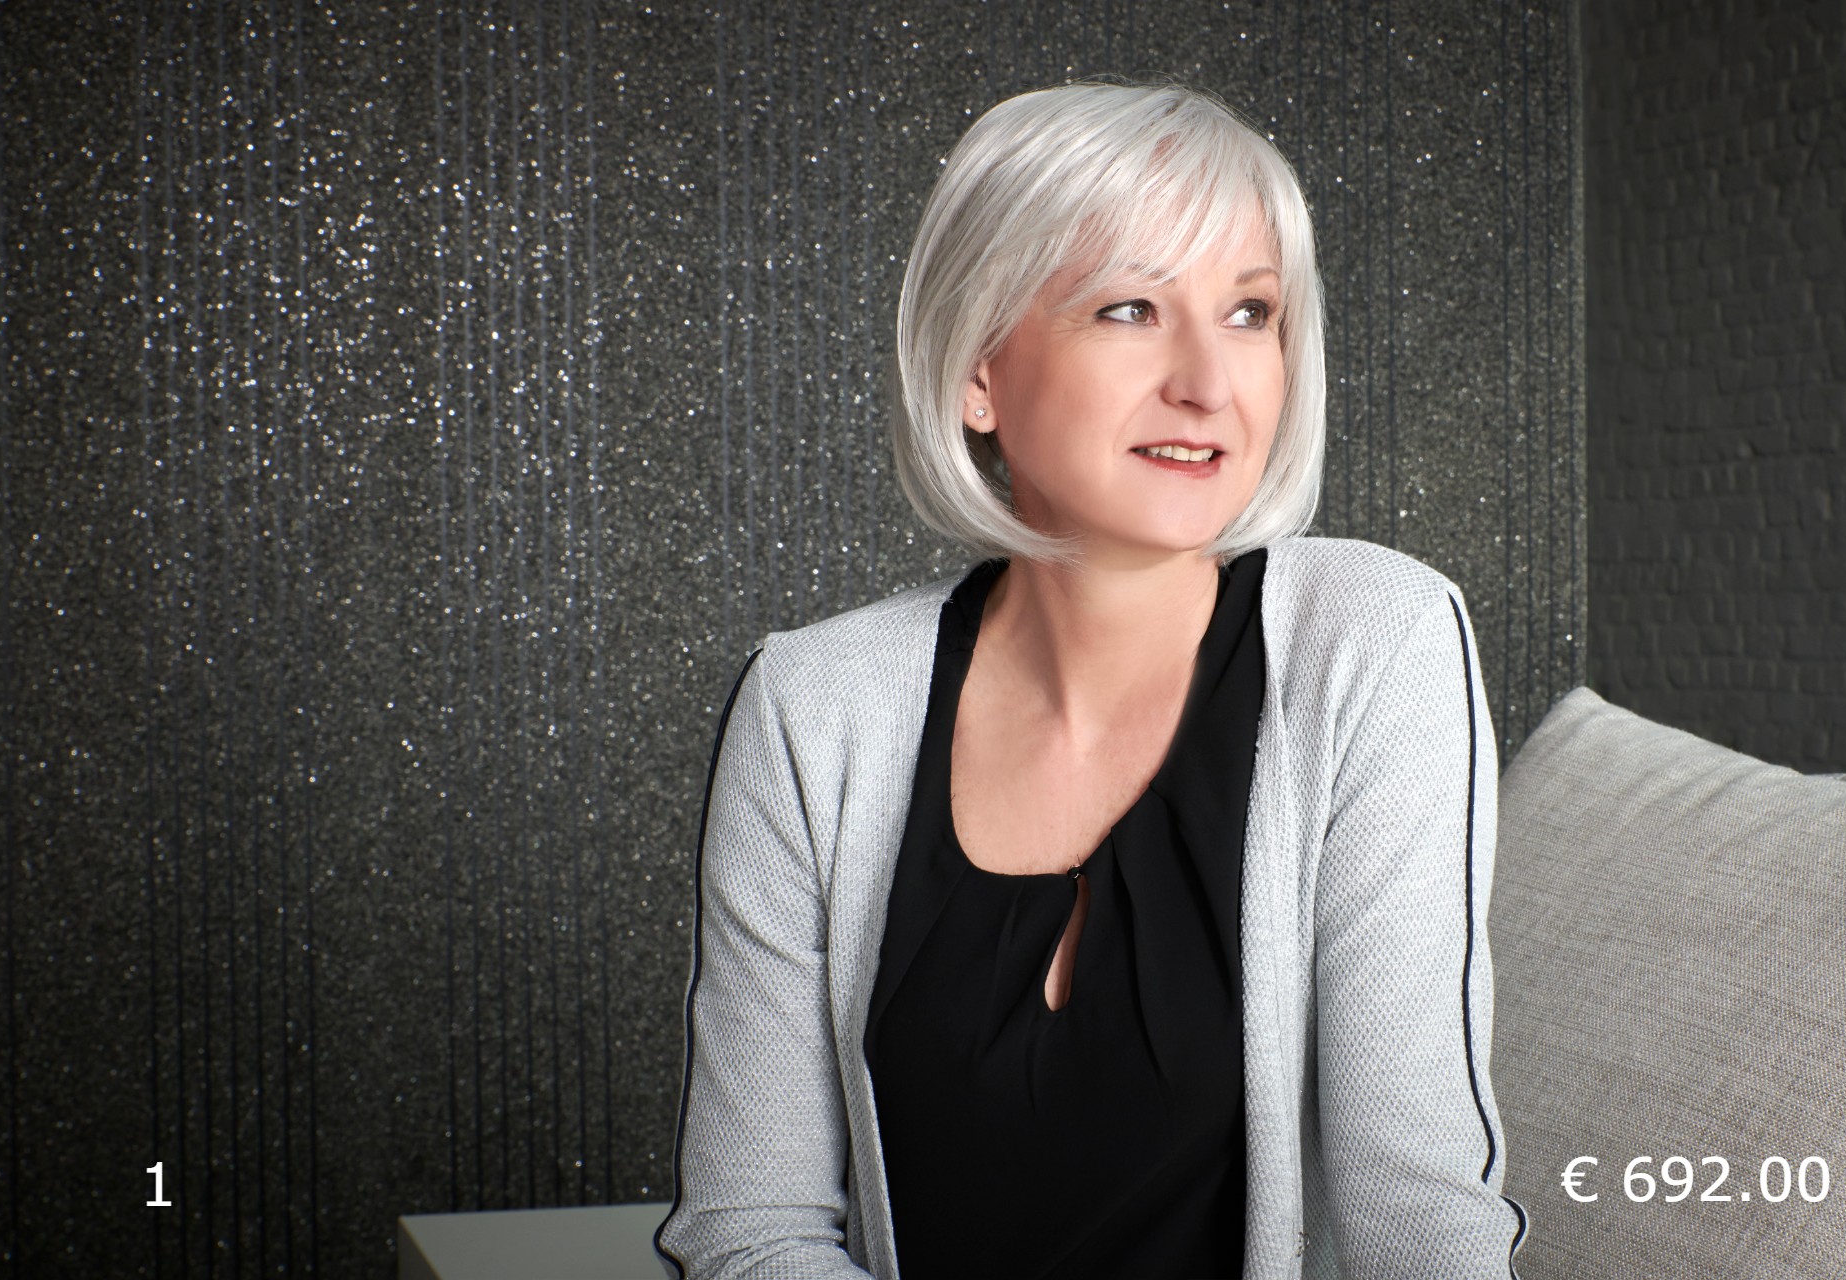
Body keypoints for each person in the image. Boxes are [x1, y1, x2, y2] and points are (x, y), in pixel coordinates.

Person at [654, 79, 1529, 1280]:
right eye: (1129, 307)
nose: (1209, 382)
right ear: (977, 370)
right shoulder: (812, 706)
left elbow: (1421, 1220)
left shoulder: (1373, 644)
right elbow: (749, 1229)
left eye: (1250, 312)